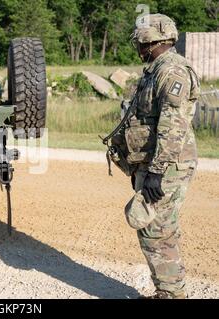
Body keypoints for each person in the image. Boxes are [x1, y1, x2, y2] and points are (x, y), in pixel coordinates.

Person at [125, 14, 200, 299]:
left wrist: (156, 170)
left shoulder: (171, 71)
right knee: (159, 228)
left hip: (169, 165)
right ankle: (169, 290)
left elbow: (173, 124)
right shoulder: (157, 69)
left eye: (139, 43)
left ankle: (170, 294)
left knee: (155, 229)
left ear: (149, 41)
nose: (138, 48)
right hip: (158, 162)